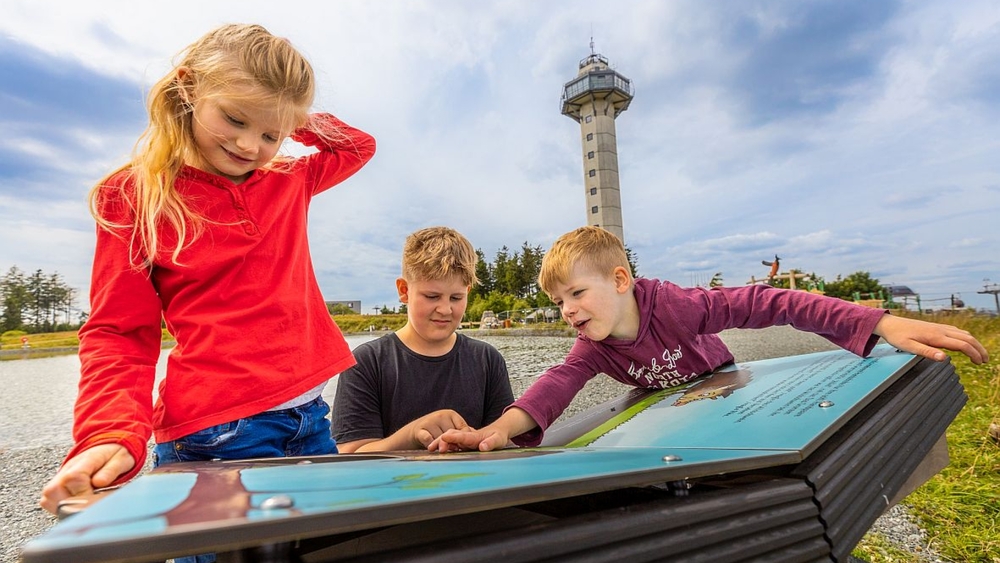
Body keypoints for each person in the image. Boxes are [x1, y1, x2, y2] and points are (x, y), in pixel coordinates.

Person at [40, 23, 376, 520]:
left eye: (271, 134)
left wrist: (291, 117)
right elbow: (119, 332)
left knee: (320, 548)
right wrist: (109, 432)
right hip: (217, 433)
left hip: (310, 415)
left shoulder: (287, 179)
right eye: (235, 118)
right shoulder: (135, 196)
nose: (249, 145)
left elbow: (356, 146)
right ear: (188, 87)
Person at [430, 226, 989, 453]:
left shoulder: (674, 306)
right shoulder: (593, 344)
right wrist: (497, 431)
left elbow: (770, 301)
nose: (568, 310)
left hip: (721, 390)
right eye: (558, 302)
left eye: (577, 293)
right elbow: (554, 385)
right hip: (660, 405)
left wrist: (878, 322)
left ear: (621, 281)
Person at [332, 226, 514, 452]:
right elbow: (350, 454)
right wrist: (413, 434)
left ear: (468, 291)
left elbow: (505, 441)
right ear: (404, 290)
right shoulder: (367, 362)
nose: (445, 309)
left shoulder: (488, 360)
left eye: (456, 297)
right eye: (432, 296)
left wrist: (478, 439)